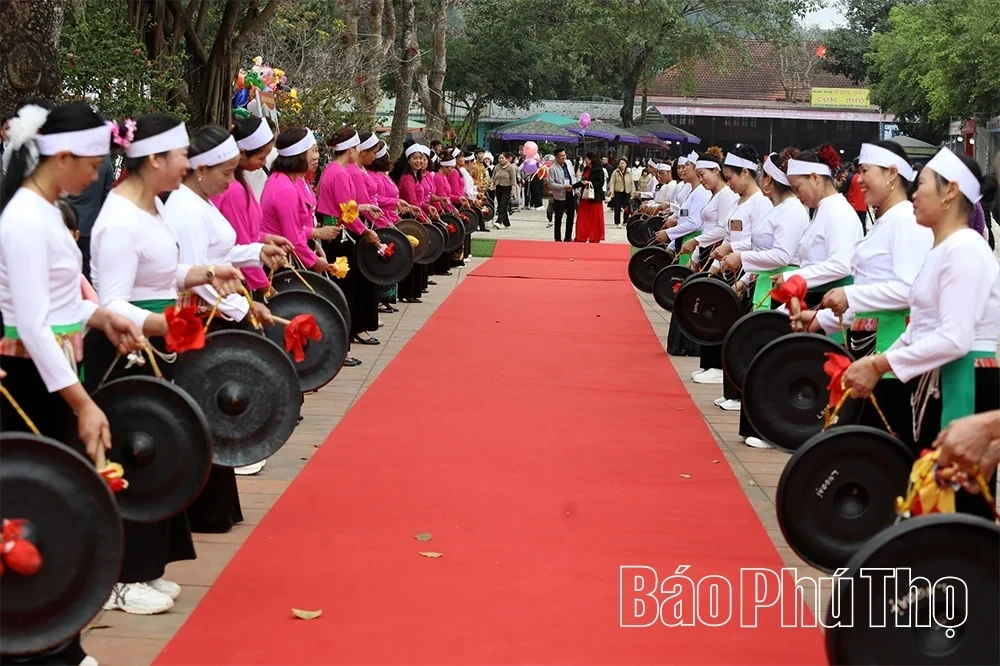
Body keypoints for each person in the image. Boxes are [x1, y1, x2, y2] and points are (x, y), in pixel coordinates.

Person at [0, 101, 147, 666]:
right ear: (61, 156)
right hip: (33, 376)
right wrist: (83, 403)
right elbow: (32, 324)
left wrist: (99, 316)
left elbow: (60, 303)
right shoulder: (23, 220)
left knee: (60, 505)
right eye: (92, 164)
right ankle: (41, 646)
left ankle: (59, 640)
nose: (98, 175)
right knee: (39, 505)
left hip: (55, 368)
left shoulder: (45, 211)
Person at [88, 112, 244, 616]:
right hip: (124, 351)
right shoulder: (116, 219)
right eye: (180, 157)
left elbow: (161, 275)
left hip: (157, 343)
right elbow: (112, 303)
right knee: (130, 462)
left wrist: (207, 271)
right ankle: (115, 578)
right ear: (153, 159)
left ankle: (145, 568)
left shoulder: (151, 208)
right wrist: (165, 326)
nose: (186, 164)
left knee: (157, 459)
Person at [841, 148, 999, 518]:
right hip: (941, 378)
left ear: (950, 192)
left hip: (965, 380)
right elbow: (921, 327)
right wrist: (876, 366)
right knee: (932, 489)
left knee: (956, 498)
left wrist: (880, 363)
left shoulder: (965, 249)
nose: (913, 193)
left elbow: (955, 338)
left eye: (922, 184)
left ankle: (958, 575)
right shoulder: (942, 249)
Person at [163, 125, 288, 486]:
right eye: (225, 173)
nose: (230, 180)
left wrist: (256, 252)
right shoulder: (185, 210)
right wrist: (243, 308)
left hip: (215, 311)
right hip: (197, 318)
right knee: (206, 408)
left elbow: (219, 255)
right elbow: (198, 276)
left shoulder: (199, 202)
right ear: (200, 169)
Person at [791, 141, 931, 451]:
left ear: (892, 174)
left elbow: (910, 290)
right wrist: (820, 318)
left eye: (865, 171)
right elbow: (871, 288)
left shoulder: (907, 221)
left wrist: (851, 296)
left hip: (892, 350)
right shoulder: (884, 221)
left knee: (885, 446)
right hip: (866, 344)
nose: (858, 179)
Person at [775, 144, 863, 314]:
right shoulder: (823, 209)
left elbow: (841, 265)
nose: (797, 195)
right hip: (814, 297)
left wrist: (793, 277)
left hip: (829, 304)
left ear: (815, 177)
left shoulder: (838, 211)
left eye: (797, 188)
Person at [316, 128, 383, 346]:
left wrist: (363, 206)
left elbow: (344, 207)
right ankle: (340, 340)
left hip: (335, 232)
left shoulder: (333, 169)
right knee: (343, 289)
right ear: (352, 149)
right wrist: (366, 231)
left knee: (342, 287)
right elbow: (346, 212)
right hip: (338, 237)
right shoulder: (341, 173)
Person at [65, 153, 114, 281]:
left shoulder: (72, 157)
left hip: (68, 222)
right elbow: (107, 196)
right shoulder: (105, 161)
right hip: (91, 224)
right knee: (87, 272)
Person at [572, 152, 605, 243]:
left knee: (594, 219)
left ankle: (593, 237)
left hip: (594, 198)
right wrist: (573, 186)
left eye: (586, 158)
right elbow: (582, 181)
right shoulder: (586, 169)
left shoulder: (598, 170)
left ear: (591, 160)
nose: (585, 160)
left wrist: (590, 183)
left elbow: (600, 183)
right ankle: (581, 236)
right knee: (582, 218)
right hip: (585, 197)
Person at [546, 148, 577, 242]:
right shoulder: (552, 169)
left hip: (571, 193)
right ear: (556, 157)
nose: (563, 157)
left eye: (564, 155)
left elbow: (573, 176)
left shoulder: (569, 163)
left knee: (571, 215)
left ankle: (568, 237)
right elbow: (551, 184)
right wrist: (563, 186)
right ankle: (557, 237)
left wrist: (575, 188)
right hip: (560, 195)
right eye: (561, 156)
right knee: (559, 216)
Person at [489, 152, 517, 229]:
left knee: (503, 205)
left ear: (507, 159)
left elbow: (513, 179)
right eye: (500, 158)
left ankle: (499, 221)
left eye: (502, 158)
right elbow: (493, 177)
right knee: (501, 203)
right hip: (498, 187)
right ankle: (506, 223)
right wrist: (492, 184)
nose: (501, 160)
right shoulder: (497, 167)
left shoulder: (510, 168)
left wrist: (513, 189)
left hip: (507, 188)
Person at [608, 158, 635, 226]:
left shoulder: (629, 172)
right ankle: (617, 222)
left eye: (623, 163)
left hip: (627, 191)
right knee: (617, 207)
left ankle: (625, 221)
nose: (622, 165)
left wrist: (633, 192)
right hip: (618, 192)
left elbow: (632, 183)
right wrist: (611, 191)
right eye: (621, 163)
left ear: (626, 164)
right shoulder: (615, 172)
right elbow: (612, 182)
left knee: (627, 207)